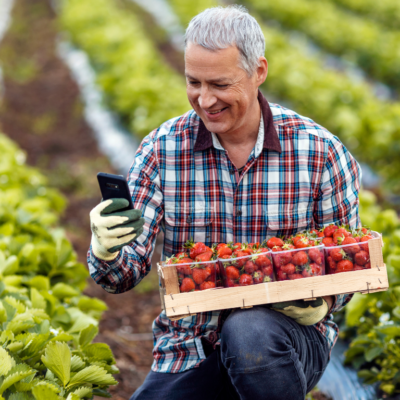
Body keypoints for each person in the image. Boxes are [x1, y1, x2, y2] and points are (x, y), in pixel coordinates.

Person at [88, 5, 361, 400]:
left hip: (285, 341)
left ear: (259, 72)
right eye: (193, 82)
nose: (204, 99)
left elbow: (347, 258)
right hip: (190, 346)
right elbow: (122, 276)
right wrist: (107, 250)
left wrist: (326, 298)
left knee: (248, 331)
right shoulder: (162, 150)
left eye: (219, 84)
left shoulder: (319, 152)